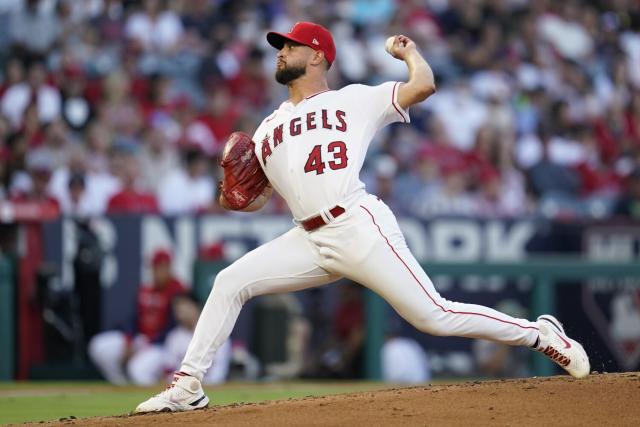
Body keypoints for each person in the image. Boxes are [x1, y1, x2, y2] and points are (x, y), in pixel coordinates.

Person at [136, 22, 590, 413]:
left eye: (291, 46)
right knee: (229, 282)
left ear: (317, 56)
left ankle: (540, 334)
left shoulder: (353, 100)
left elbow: (423, 87)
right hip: (307, 237)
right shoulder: (267, 128)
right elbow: (253, 200)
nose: (281, 52)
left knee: (434, 316)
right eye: (280, 46)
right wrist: (230, 195)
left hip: (356, 224)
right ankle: (188, 387)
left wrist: (410, 54)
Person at [89, 248, 185, 385]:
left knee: (137, 370)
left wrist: (144, 344)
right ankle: (121, 385)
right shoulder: (144, 290)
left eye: (164, 267)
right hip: (138, 339)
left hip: (160, 346)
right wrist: (129, 340)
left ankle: (158, 399)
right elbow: (133, 319)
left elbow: (173, 328)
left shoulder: (177, 291)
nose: (160, 271)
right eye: (157, 267)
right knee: (98, 346)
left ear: (170, 267)